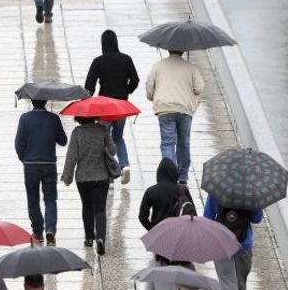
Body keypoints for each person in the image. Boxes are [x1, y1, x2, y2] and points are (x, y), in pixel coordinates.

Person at [84, 30, 140, 184]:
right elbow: (135, 80)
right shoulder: (126, 59)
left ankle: (109, 175)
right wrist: (126, 92)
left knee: (104, 140)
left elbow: (89, 87)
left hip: (104, 108)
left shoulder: (98, 61)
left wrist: (86, 102)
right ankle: (124, 165)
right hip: (120, 107)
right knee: (118, 137)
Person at [145, 50, 205, 184]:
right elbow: (199, 88)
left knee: (167, 143)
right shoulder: (191, 68)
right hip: (185, 109)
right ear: (183, 51)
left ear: (168, 49)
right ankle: (183, 176)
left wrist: (151, 96)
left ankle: (170, 175)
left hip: (165, 109)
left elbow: (149, 85)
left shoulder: (158, 66)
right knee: (184, 142)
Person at [14, 99, 68, 244]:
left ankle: (37, 232)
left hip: (30, 165)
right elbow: (63, 141)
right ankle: (50, 228)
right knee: (50, 199)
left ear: (32, 101)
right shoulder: (53, 118)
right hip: (49, 163)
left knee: (33, 200)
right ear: (45, 101)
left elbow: (18, 143)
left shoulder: (24, 119)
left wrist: (24, 158)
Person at [61, 116, 116, 255]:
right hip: (102, 176)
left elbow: (72, 156)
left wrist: (67, 177)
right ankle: (101, 238)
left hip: (83, 178)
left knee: (87, 206)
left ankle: (89, 238)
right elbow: (113, 150)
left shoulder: (77, 132)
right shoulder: (102, 130)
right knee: (100, 209)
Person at [203, 194, 263, 290]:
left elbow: (207, 217)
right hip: (243, 245)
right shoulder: (251, 194)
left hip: (221, 245)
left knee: (226, 282)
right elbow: (257, 219)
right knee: (241, 284)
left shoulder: (217, 191)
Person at [139, 158, 192, 231]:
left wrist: (151, 229)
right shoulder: (182, 190)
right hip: (178, 230)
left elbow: (142, 216)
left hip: (158, 230)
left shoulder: (151, 191)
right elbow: (191, 211)